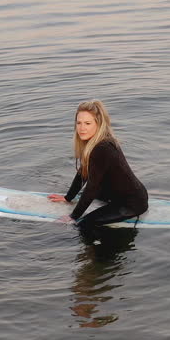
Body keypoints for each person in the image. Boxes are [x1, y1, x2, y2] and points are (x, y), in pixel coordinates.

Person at [48, 100, 148, 237]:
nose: (82, 128)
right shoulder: (96, 142)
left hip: (131, 203)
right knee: (89, 195)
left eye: (88, 123)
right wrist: (68, 198)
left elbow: (92, 187)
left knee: (83, 224)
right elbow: (82, 174)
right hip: (123, 194)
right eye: (79, 123)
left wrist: (73, 217)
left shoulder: (102, 148)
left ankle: (97, 253)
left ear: (98, 124)